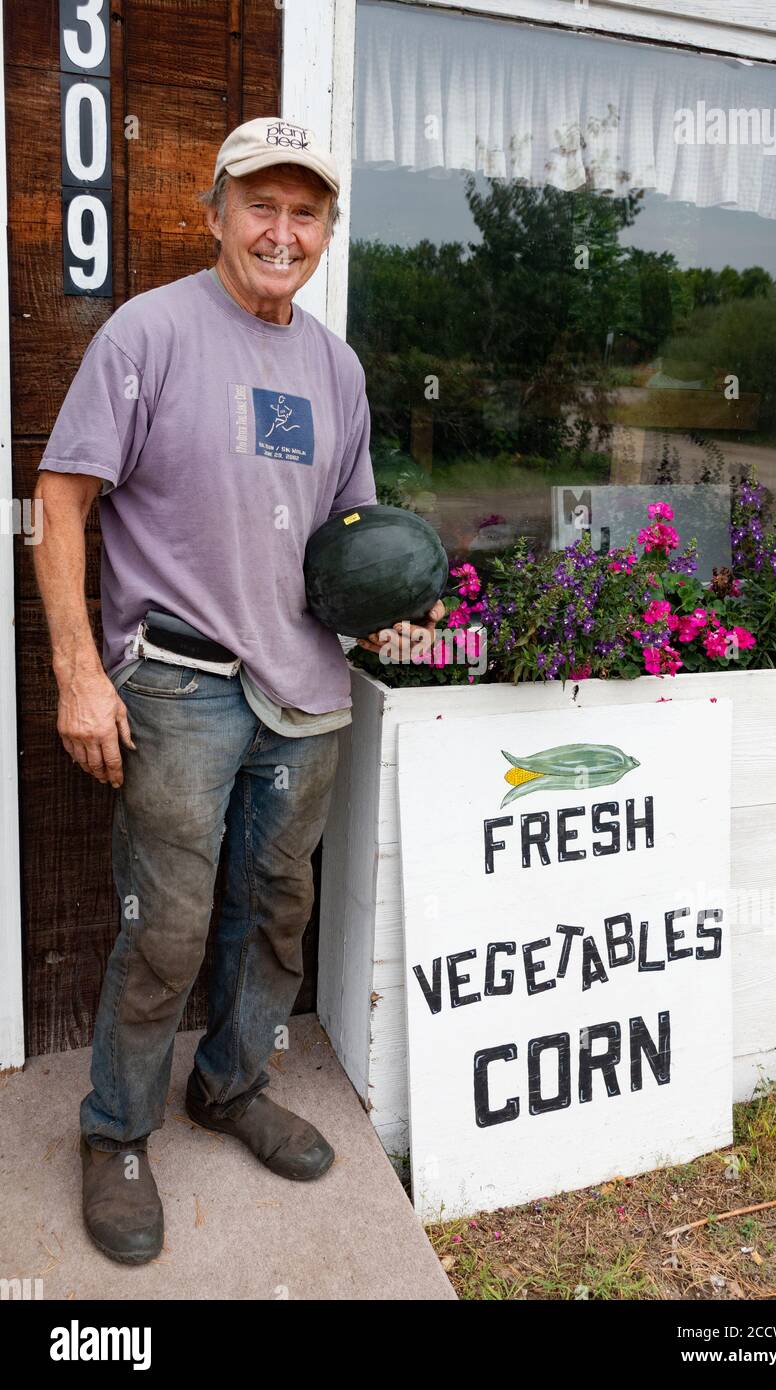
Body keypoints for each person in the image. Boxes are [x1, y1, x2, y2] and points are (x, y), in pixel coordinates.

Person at [33, 116, 444, 1266]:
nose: (280, 229)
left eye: (303, 211)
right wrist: (77, 672)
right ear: (214, 212)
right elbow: (60, 503)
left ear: (323, 233)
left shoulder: (334, 365)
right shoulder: (148, 333)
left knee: (274, 912)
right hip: (178, 684)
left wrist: (395, 608)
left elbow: (349, 539)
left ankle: (231, 1085)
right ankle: (116, 1129)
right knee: (160, 925)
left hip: (305, 690)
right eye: (258, 204)